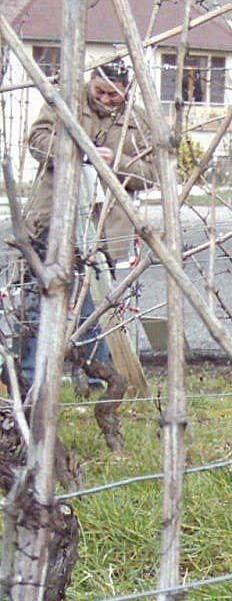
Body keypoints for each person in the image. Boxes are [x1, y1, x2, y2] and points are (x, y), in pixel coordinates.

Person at [19, 62, 154, 404]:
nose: (106, 100)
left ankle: (95, 385)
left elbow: (152, 173)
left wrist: (115, 162)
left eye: (114, 94)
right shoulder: (63, 101)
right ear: (90, 82)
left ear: (126, 90)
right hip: (50, 223)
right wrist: (76, 150)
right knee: (38, 304)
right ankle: (29, 384)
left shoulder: (137, 121)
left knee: (94, 311)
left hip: (101, 234)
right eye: (100, 92)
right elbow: (36, 141)